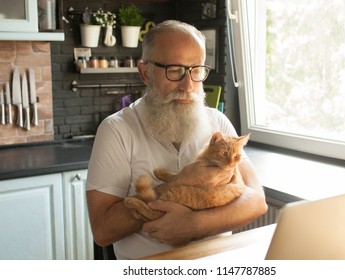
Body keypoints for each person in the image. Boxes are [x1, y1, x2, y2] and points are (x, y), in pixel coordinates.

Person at [86, 20, 268, 260]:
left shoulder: (218, 123)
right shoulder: (116, 130)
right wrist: (179, 182)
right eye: (174, 70)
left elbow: (256, 201)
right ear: (145, 73)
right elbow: (103, 231)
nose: (188, 85)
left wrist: (194, 224)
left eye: (196, 70)